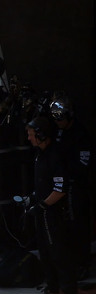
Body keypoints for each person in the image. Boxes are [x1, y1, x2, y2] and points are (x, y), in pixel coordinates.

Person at [25, 116, 78, 294]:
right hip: (42, 214)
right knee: (46, 256)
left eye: (31, 135)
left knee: (60, 257)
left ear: (41, 135)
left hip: (54, 216)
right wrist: (32, 198)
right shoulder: (40, 154)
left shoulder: (56, 156)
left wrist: (43, 205)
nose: (29, 139)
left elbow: (60, 189)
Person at [50, 97, 93, 278]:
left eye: (61, 118)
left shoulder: (81, 135)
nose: (58, 122)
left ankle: (82, 263)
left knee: (78, 225)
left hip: (77, 187)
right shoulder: (58, 133)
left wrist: (67, 172)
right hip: (62, 186)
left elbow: (84, 165)